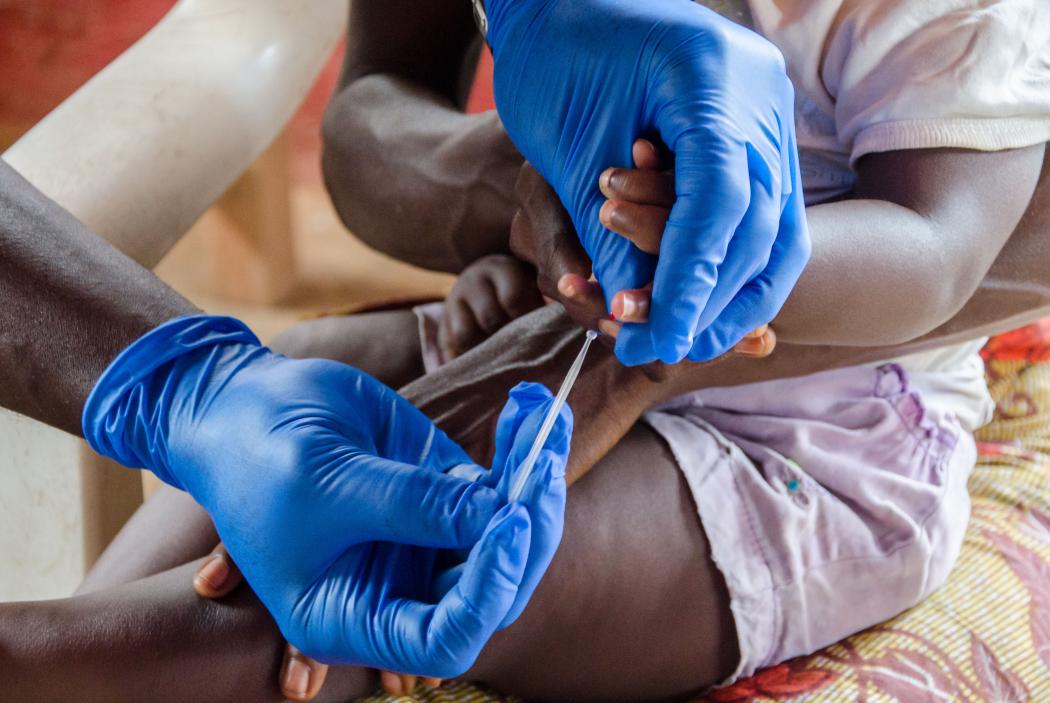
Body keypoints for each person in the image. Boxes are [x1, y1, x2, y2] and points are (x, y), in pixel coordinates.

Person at [0, 0, 820, 681]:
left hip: (794, 419)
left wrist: (205, 393)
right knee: (327, 439)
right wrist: (517, 178)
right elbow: (378, 112)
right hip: (546, 323)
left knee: (377, 568)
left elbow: (945, 259)